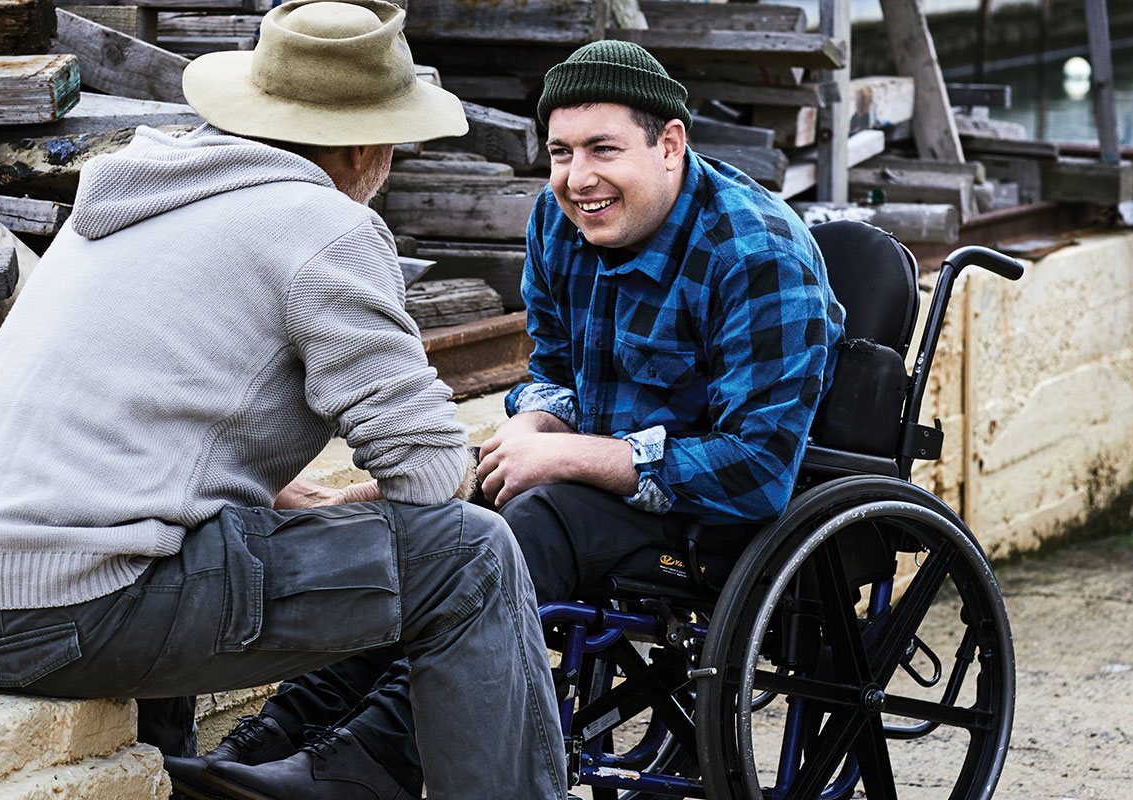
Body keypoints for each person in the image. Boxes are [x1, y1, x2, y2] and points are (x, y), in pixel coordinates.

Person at [0, 2, 566, 799]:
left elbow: (138, 406)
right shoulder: (323, 224)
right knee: (472, 555)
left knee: (210, 532)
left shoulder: (130, 198)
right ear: (369, 149)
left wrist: (260, 492)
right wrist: (366, 497)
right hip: (62, 612)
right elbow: (429, 471)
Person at [180, 40, 844, 799]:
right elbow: (554, 370)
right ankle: (279, 735)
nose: (578, 178)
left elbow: (756, 471)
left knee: (516, 522)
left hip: (720, 515)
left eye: (602, 149)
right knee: (428, 522)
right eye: (561, 152)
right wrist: (538, 420)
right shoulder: (560, 223)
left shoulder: (756, 254)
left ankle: (365, 766)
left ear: (669, 144)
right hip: (596, 488)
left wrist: (570, 457)